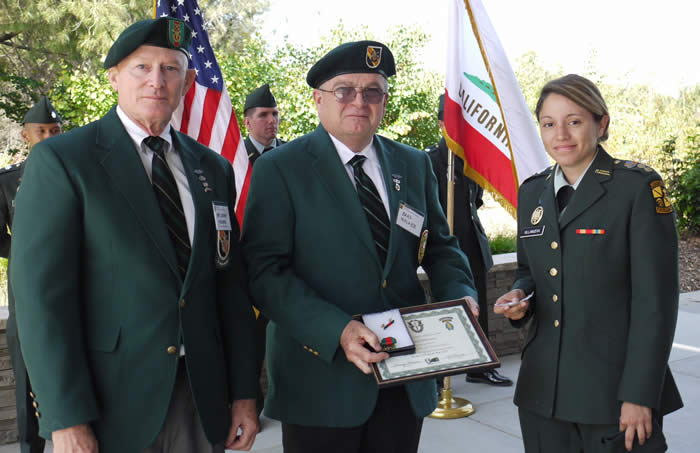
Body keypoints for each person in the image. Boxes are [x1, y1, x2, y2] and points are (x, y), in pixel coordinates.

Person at [10, 17, 258, 453]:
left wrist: (243, 395)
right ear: (114, 77)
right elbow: (40, 299)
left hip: (202, 398)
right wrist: (66, 416)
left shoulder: (212, 169)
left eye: (171, 69)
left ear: (188, 81)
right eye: (142, 67)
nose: (157, 82)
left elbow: (230, 290)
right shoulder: (65, 161)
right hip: (109, 403)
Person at [242, 41, 479, 453]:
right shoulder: (279, 169)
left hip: (405, 376)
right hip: (321, 380)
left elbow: (440, 248)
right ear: (318, 99)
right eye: (344, 90)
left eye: (372, 91)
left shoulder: (413, 163)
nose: (359, 101)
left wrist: (461, 296)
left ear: (384, 101)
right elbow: (264, 273)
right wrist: (338, 330)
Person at [494, 74, 683, 452]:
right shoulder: (533, 192)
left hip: (612, 395)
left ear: (601, 123)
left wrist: (640, 395)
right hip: (542, 393)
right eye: (548, 123)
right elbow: (531, 272)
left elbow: (656, 304)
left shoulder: (636, 188)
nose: (559, 133)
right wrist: (520, 297)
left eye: (574, 121)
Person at [427, 94, 512, 387]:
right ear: (441, 124)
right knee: (440, 312)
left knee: (479, 309)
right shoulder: (428, 161)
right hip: (443, 248)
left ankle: (480, 367)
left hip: (472, 245)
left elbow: (475, 202)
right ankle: (437, 377)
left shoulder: (471, 162)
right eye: (452, 123)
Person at [0, 95, 63, 453]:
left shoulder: (83, 175)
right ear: (26, 137)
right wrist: (28, 256)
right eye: (41, 132)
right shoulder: (9, 183)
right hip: (28, 296)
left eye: (55, 130)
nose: (50, 137)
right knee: (27, 376)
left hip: (79, 291)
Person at [243, 84, 284, 165]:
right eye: (263, 115)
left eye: (275, 114)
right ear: (248, 122)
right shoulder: (238, 155)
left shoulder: (292, 151)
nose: (272, 120)